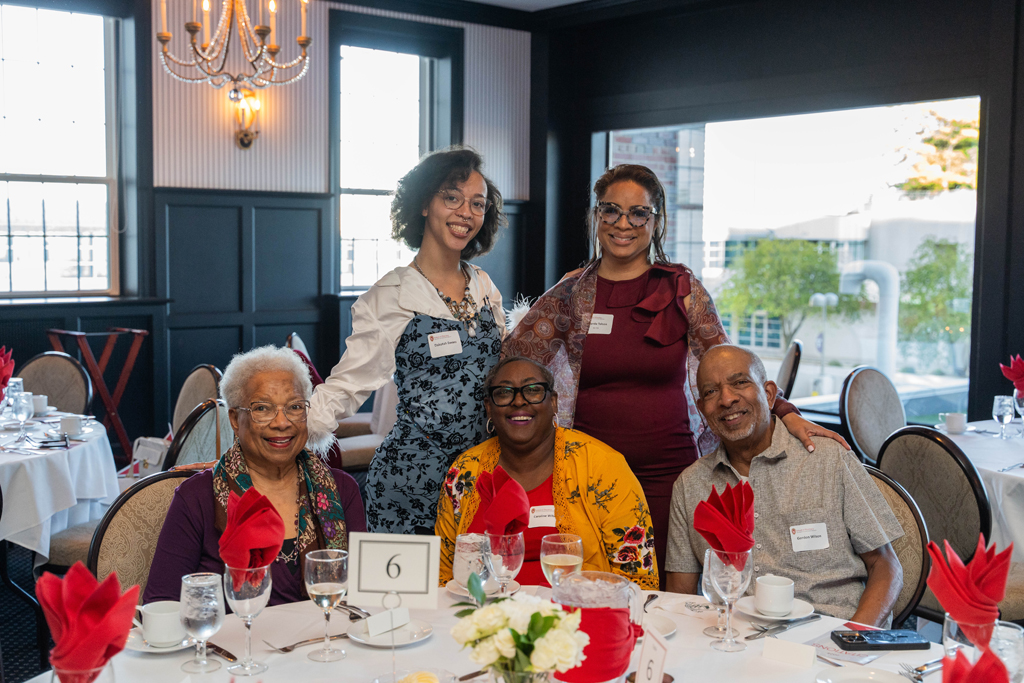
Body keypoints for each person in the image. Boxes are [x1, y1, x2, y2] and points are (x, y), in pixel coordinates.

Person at [504, 164, 849, 587]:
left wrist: (786, 413)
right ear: (596, 216)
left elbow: (729, 366)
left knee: (671, 599)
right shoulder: (572, 293)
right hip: (587, 476)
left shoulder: (683, 290)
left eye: (638, 213)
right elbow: (512, 363)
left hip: (668, 475)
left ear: (657, 220)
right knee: (590, 592)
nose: (623, 224)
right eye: (610, 211)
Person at [306, 147, 508, 535]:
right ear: (423, 205)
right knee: (408, 597)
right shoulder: (391, 294)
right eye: (452, 197)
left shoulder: (485, 286)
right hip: (411, 482)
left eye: (477, 204)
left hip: (481, 478)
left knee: (475, 595)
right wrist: (289, 429)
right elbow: (348, 385)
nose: (466, 212)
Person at [664, 345, 903, 626]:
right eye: (711, 392)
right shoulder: (691, 485)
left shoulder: (827, 459)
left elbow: (886, 567)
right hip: (739, 642)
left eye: (740, 382)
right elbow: (678, 597)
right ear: (702, 408)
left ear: (767, 393)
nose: (726, 399)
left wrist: (853, 636)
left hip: (828, 635)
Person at [144, 346, 366, 606]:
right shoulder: (198, 498)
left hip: (323, 642)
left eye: (294, 407)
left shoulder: (341, 490)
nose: (282, 422)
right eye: (262, 408)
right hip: (232, 644)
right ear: (235, 420)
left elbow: (363, 595)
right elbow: (161, 603)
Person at [436, 356, 659, 590]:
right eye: (504, 392)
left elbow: (636, 579)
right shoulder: (464, 470)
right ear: (489, 408)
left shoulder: (602, 466)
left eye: (533, 390)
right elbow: (443, 574)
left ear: (553, 402)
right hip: (482, 617)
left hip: (579, 616)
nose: (519, 401)